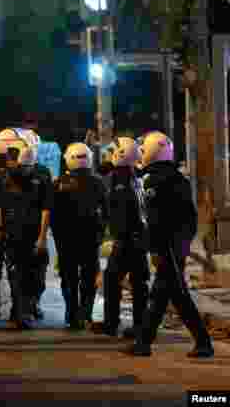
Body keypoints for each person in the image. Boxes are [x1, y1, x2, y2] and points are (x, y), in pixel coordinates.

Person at [127, 131, 214, 358]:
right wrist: (182, 245)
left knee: (176, 294)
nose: (141, 154)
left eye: (144, 150)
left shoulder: (151, 180)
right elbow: (189, 218)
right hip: (176, 246)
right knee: (163, 294)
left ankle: (203, 342)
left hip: (166, 247)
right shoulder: (178, 178)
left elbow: (154, 220)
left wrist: (155, 248)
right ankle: (144, 342)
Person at [0, 135, 52, 330]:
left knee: (35, 276)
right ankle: (20, 313)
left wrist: (42, 238)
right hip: (12, 234)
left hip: (33, 235)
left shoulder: (41, 177)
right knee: (15, 276)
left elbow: (46, 208)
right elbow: (0, 206)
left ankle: (29, 307)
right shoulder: (4, 179)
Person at [94, 137, 150, 339]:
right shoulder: (136, 176)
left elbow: (115, 213)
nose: (108, 158)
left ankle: (111, 324)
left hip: (126, 239)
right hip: (139, 238)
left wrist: (113, 236)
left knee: (112, 280)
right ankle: (140, 324)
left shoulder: (118, 179)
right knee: (139, 284)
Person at [52, 142, 108, 330]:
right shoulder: (98, 183)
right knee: (88, 277)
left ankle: (72, 314)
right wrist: (101, 233)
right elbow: (106, 212)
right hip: (90, 239)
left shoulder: (59, 183)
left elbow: (51, 213)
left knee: (68, 278)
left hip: (66, 240)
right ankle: (86, 314)